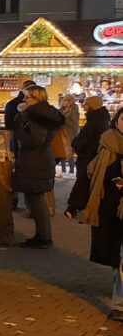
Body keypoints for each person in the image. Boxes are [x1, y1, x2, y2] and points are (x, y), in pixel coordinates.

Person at [66, 108, 123, 319]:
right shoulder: (104, 146)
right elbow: (87, 178)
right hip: (109, 211)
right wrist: (74, 205)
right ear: (116, 121)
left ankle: (119, 305)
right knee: (117, 257)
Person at [9, 85, 65, 248]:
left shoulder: (36, 115)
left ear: (36, 98)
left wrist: (19, 130)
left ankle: (43, 237)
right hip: (39, 160)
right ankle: (42, 235)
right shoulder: (44, 113)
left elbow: (36, 140)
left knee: (36, 199)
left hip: (35, 161)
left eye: (27, 97)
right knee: (35, 198)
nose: (24, 100)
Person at [67, 96, 111, 218]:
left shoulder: (97, 120)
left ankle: (76, 207)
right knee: (83, 182)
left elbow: (90, 139)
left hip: (89, 156)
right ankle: (78, 207)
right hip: (87, 155)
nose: (83, 106)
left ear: (92, 106)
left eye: (86, 104)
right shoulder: (97, 118)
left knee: (83, 182)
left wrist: (78, 144)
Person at [59, 94, 80, 177]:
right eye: (63, 100)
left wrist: (63, 119)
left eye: (66, 100)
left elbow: (74, 123)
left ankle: (71, 171)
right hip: (61, 133)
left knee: (70, 152)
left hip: (70, 133)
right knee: (62, 151)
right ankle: (63, 170)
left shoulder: (74, 111)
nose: (64, 102)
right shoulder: (61, 110)